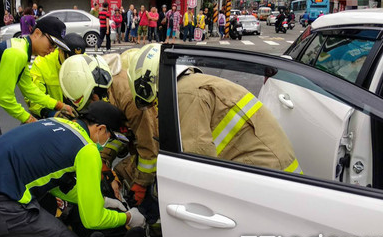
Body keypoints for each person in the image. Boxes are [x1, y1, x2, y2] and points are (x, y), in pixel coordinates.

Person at [0, 101, 146, 237]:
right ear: (101, 129)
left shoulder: (57, 123)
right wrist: (129, 217)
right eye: (110, 137)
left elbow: (57, 183)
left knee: (48, 204)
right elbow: (93, 220)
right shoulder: (87, 150)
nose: (108, 142)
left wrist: (102, 201)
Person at [128, 43, 302, 174]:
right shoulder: (191, 85)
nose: (156, 108)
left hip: (268, 174)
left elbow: (196, 160)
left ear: (150, 83)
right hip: (274, 170)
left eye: (153, 102)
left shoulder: (185, 94)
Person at [0, 16, 75, 152]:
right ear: (37, 33)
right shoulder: (17, 53)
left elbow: (29, 89)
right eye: (52, 43)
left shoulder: (22, 49)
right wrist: (28, 119)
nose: (52, 50)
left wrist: (60, 105)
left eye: (56, 47)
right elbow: (4, 97)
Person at [59, 49, 159, 207]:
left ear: (95, 93)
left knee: (152, 196)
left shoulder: (129, 97)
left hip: (159, 144)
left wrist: (140, 185)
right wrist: (103, 162)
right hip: (133, 135)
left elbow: (149, 145)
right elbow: (114, 133)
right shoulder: (87, 83)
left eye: (90, 103)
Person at [27, 33, 87, 118]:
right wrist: (52, 113)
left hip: (78, 110)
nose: (74, 64)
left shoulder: (85, 60)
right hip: (53, 112)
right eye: (69, 59)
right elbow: (33, 100)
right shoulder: (41, 64)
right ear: (60, 51)